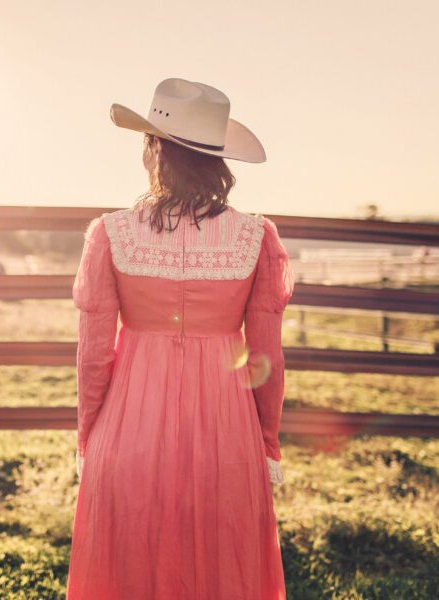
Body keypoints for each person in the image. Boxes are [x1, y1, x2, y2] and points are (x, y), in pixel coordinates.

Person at [66, 78, 294, 599]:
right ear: (216, 161)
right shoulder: (256, 237)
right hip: (227, 429)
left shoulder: (111, 233)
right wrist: (268, 445)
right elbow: (265, 358)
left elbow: (94, 355)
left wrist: (88, 439)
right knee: (220, 565)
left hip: (128, 427)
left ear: (155, 151)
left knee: (129, 567)